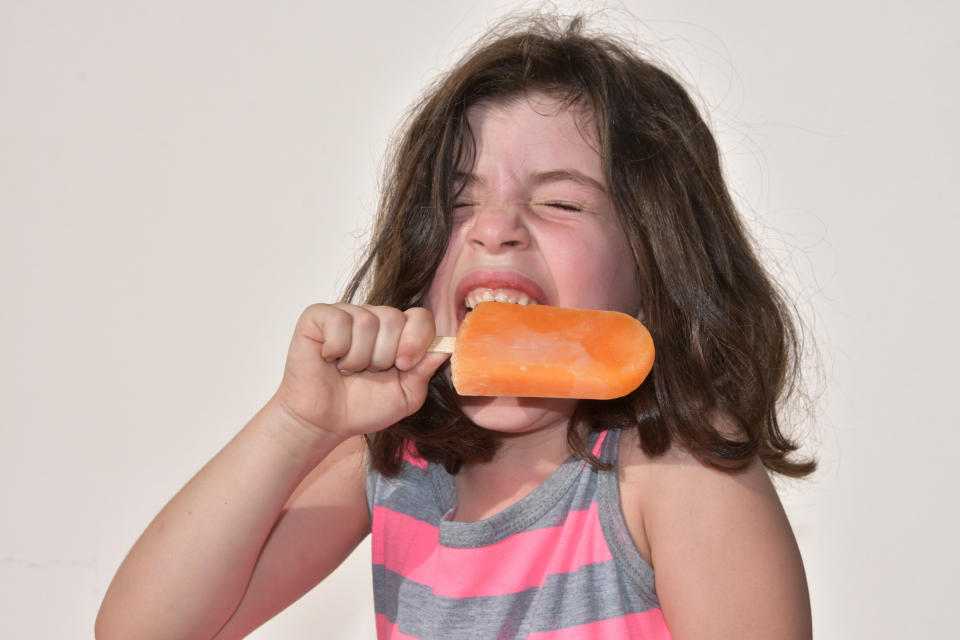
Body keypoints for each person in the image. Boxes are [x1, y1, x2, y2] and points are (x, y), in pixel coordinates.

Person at [96, 14, 815, 640]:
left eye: (561, 204)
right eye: (458, 202)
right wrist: (298, 423)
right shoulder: (395, 460)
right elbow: (143, 632)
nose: (495, 230)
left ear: (653, 263)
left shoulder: (676, 473)